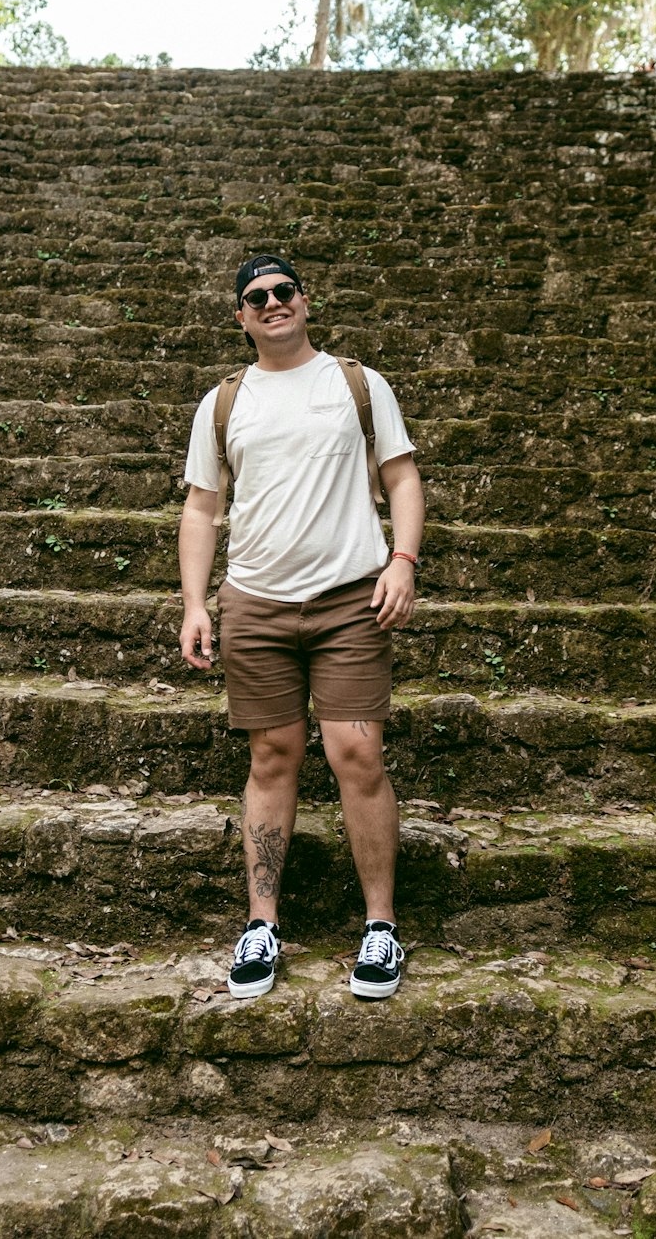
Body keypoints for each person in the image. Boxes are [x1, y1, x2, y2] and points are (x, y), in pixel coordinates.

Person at [179, 254, 425, 1001]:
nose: (273, 302)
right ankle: (262, 923)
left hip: (351, 598)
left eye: (284, 291)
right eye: (257, 296)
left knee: (356, 750)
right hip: (255, 603)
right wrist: (195, 603)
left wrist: (403, 560)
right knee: (272, 756)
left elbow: (403, 477)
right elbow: (200, 508)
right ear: (241, 316)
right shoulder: (223, 402)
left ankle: (380, 925)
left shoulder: (357, 383)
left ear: (305, 301)